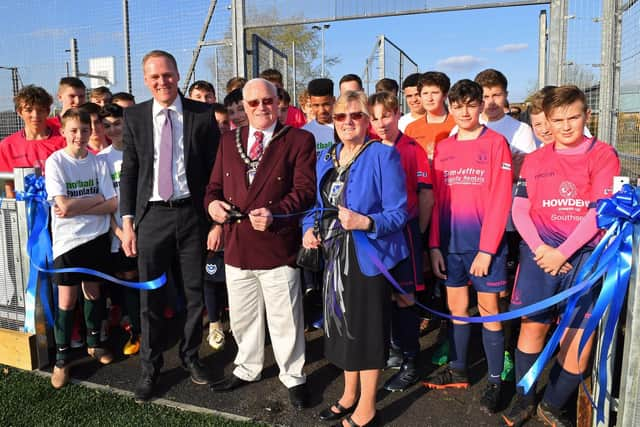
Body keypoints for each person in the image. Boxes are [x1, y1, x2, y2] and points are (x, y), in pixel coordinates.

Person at [501, 85, 620, 427]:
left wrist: (564, 252)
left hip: (584, 257)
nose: (567, 126)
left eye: (574, 117)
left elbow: (599, 212)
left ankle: (551, 405)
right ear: (546, 122)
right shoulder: (536, 159)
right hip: (540, 256)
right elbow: (520, 210)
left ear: (587, 115)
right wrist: (542, 250)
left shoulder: (603, 154)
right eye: (558, 119)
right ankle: (525, 399)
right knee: (532, 331)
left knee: (579, 342)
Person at [205, 77, 315, 410]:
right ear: (244, 106)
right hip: (237, 245)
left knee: (286, 320)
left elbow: (305, 191)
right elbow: (212, 188)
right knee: (242, 317)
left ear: (279, 101)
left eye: (267, 101)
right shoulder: (229, 140)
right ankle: (248, 367)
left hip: (277, 244)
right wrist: (211, 206)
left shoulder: (298, 139)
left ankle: (293, 375)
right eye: (253, 103)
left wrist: (277, 212)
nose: (261, 108)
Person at [119, 50, 220, 401]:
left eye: (167, 75)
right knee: (150, 297)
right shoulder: (133, 117)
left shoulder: (203, 115)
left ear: (178, 75)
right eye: (154, 77)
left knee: (195, 294)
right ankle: (151, 368)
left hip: (193, 216)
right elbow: (130, 172)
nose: (162, 82)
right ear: (146, 81)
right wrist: (128, 222)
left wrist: (213, 220)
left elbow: (213, 172)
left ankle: (191, 357)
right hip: (152, 218)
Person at [304, 90, 408, 426]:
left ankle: (367, 405)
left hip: (367, 255)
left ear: (367, 120)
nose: (348, 122)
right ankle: (349, 394)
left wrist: (366, 222)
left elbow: (400, 212)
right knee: (342, 326)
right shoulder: (328, 157)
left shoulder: (382, 155)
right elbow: (316, 204)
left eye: (356, 115)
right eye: (340, 117)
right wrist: (309, 228)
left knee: (366, 331)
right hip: (334, 255)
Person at [424, 79, 512, 415]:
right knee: (456, 307)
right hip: (450, 245)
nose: (464, 111)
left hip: (483, 248)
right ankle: (459, 369)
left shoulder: (495, 143)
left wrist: (487, 250)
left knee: (489, 311)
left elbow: (501, 198)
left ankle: (494, 380)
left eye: (470, 104)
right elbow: (437, 200)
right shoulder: (444, 145)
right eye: (457, 105)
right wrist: (434, 246)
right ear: (450, 107)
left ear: (480, 107)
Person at [45, 108, 117, 389]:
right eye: (73, 130)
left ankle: (94, 343)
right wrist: (96, 198)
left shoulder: (98, 163)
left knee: (93, 291)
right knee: (67, 300)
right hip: (68, 241)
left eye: (84, 130)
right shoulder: (55, 162)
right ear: (63, 131)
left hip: (96, 237)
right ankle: (61, 359)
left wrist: (83, 204)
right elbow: (62, 206)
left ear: (91, 131)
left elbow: (112, 203)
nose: (79, 135)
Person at [368, 91, 433, 393]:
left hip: (404, 231)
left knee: (404, 298)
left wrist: (416, 234)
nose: (380, 122)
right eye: (374, 116)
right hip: (374, 233)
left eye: (386, 115)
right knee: (382, 296)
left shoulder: (412, 148)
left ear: (397, 115)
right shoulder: (367, 148)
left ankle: (411, 361)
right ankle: (393, 349)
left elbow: (426, 195)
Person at [98, 103, 141, 356]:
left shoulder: (142, 152)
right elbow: (106, 204)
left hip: (145, 228)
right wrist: (120, 232)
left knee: (146, 278)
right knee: (127, 280)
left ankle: (148, 328)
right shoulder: (102, 159)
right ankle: (134, 330)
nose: (113, 129)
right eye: (107, 125)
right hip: (119, 235)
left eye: (118, 123)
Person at [0, 85, 66, 196]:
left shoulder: (63, 141)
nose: (35, 115)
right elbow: (9, 185)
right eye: (29, 110)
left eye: (40, 110)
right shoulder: (7, 145)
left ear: (48, 111)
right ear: (20, 112)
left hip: (59, 206)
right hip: (26, 208)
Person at [405, 71, 455, 160]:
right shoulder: (411, 129)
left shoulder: (457, 125)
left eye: (435, 93)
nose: (429, 98)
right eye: (425, 93)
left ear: (445, 95)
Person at [302, 78, 335, 154]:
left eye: (326, 104)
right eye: (316, 105)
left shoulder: (344, 129)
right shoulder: (304, 133)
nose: (321, 110)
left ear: (333, 100)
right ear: (311, 103)